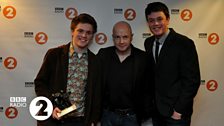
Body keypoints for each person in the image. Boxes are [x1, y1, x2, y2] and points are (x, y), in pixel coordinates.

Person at [34, 13, 100, 126]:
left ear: (92, 36)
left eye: (88, 33)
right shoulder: (54, 54)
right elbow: (40, 83)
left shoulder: (96, 61)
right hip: (53, 120)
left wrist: (93, 120)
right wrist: (51, 107)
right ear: (72, 31)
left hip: (80, 121)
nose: (84, 35)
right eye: (80, 31)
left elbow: (97, 94)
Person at [144, 2, 201, 126]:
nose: (156, 24)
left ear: (168, 19)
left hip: (176, 115)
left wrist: (178, 111)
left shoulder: (184, 44)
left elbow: (192, 81)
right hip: (157, 112)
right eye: (151, 20)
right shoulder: (148, 43)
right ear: (148, 22)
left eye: (160, 19)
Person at [97, 21, 153, 126]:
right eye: (117, 37)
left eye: (125, 37)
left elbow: (148, 89)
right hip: (107, 115)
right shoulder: (103, 55)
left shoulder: (143, 58)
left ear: (131, 37)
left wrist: (146, 116)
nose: (121, 41)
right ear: (113, 38)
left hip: (132, 117)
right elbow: (95, 86)